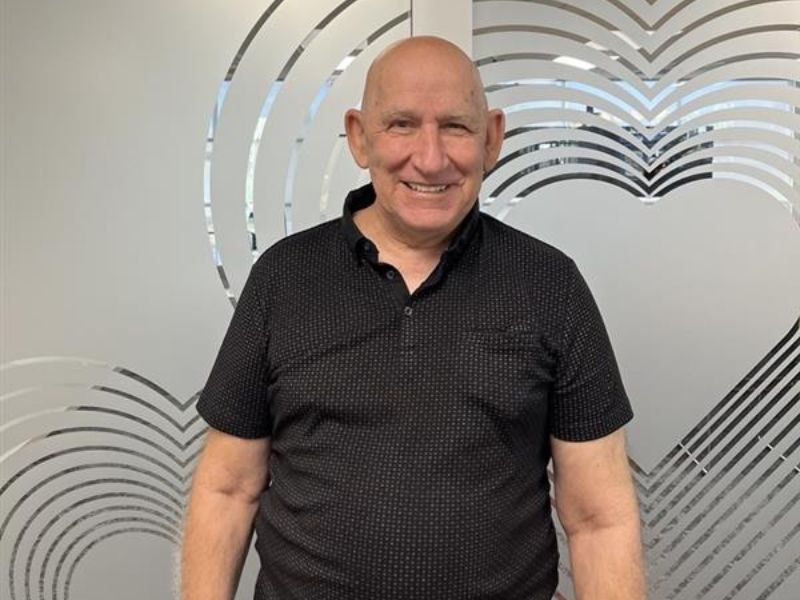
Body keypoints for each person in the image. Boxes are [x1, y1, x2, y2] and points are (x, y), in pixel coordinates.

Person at [181, 36, 645, 600]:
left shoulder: (550, 285)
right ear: (358, 137)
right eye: (401, 124)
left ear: (492, 138)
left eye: (455, 126)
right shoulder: (283, 278)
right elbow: (227, 489)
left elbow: (599, 519)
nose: (430, 158)